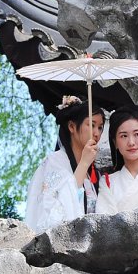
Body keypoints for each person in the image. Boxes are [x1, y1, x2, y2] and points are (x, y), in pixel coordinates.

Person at [24, 96, 106, 231]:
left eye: (100, 127)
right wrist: (84, 164)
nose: (97, 133)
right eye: (91, 125)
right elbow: (53, 213)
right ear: (72, 126)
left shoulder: (93, 172)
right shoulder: (55, 162)